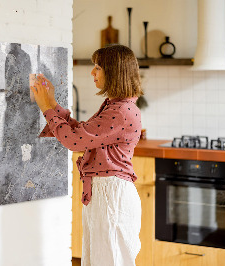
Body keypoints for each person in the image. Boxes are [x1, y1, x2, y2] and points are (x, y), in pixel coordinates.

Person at [30, 44, 143, 266]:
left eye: (98, 67)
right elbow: (82, 133)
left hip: (111, 195)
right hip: (105, 193)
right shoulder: (116, 106)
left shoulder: (120, 111)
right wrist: (52, 103)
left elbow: (74, 140)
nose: (92, 72)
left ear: (114, 71)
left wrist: (46, 108)